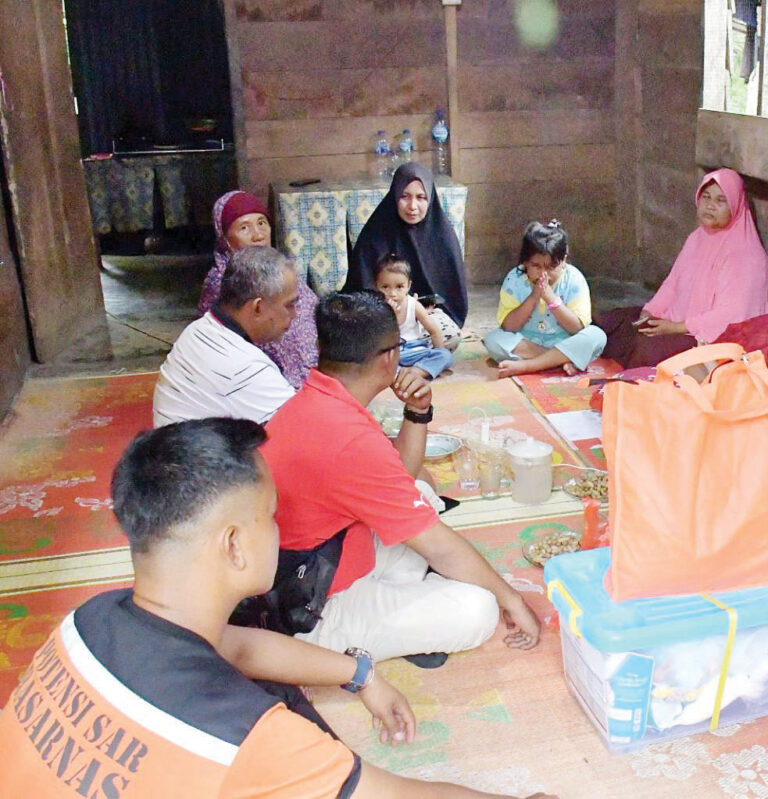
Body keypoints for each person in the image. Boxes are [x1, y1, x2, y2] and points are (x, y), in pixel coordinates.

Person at [0, 418, 553, 799]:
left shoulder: (89, 618)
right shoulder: (248, 737)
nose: (279, 529)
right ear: (234, 544)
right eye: (270, 515)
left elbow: (234, 646)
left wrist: (361, 674)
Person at [262, 291, 541, 664]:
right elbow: (438, 545)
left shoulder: (318, 399)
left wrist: (417, 411)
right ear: (389, 357)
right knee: (479, 609)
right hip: (312, 605)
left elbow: (400, 479)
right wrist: (513, 599)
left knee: (421, 493)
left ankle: (401, 600)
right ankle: (365, 626)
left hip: (324, 556)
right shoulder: (349, 438)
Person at [598, 167, 768, 367]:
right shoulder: (697, 238)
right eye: (706, 197)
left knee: (642, 348)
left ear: (735, 205)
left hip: (708, 338)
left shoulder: (746, 254)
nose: (710, 206)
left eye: (721, 200)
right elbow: (673, 284)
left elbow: (731, 316)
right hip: (678, 323)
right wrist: (650, 313)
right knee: (612, 322)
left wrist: (676, 327)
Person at [154, 247, 298, 427]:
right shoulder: (245, 368)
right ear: (258, 308)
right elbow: (304, 427)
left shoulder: (196, 329)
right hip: (195, 443)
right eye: (289, 305)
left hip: (177, 440)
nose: (295, 314)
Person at [200, 190, 319, 388]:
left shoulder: (281, 269)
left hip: (313, 373)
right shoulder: (222, 283)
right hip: (260, 382)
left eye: (262, 223)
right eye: (244, 228)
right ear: (225, 239)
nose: (258, 235)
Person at [346, 162, 466, 347]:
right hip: (383, 316)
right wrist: (388, 304)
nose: (412, 206)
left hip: (423, 317)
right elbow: (361, 288)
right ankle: (407, 352)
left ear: (430, 198)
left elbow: (452, 295)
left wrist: (420, 308)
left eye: (421, 197)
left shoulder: (442, 235)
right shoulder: (376, 232)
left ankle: (399, 352)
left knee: (449, 334)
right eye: (405, 196)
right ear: (394, 196)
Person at [483, 220, 607, 378]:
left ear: (563, 261)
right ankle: (560, 360)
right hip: (528, 341)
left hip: (564, 340)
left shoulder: (574, 279)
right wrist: (534, 297)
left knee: (596, 336)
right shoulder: (514, 279)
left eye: (551, 267)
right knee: (493, 340)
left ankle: (528, 365)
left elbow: (576, 328)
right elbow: (509, 326)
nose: (544, 274)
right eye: (536, 266)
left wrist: (552, 299)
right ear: (525, 262)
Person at [374, 253, 454, 379]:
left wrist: (439, 354)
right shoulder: (376, 307)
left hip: (415, 350)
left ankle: (415, 373)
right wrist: (389, 316)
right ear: (376, 286)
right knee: (374, 363)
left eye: (399, 287)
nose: (393, 293)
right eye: (385, 287)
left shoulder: (413, 305)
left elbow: (433, 330)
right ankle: (405, 374)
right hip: (391, 353)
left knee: (446, 356)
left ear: (408, 286)